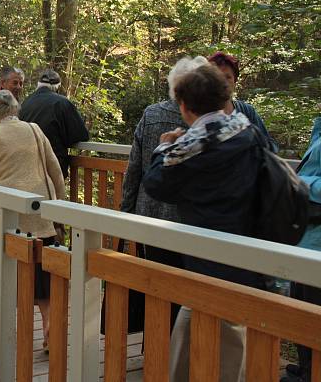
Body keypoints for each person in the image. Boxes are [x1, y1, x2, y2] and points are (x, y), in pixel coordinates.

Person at [142, 64, 269, 382]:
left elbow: (157, 182)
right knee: (201, 322)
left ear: (184, 107)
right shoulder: (247, 131)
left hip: (210, 255)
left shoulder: (190, 147)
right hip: (248, 249)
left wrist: (165, 146)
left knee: (225, 336)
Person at [0, 89, 66, 352]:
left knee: (11, 281)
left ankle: (14, 337)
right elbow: (55, 170)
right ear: (16, 109)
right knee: (43, 282)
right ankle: (49, 330)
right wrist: (59, 209)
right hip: (41, 217)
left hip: (9, 222)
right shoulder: (35, 130)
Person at [120, 56, 208, 331]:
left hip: (150, 214)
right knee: (189, 289)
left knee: (158, 283)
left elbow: (134, 167)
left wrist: (127, 210)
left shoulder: (152, 114)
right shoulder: (203, 120)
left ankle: (156, 351)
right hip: (189, 220)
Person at [283, 114, 321, 382]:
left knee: (313, 310)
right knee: (300, 303)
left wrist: (295, 183)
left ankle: (311, 373)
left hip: (317, 241)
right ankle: (305, 364)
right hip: (306, 236)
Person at [19, 69, 89, 176]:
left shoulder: (26, 102)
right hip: (52, 165)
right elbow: (81, 135)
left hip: (27, 164)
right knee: (53, 193)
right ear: (58, 87)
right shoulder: (62, 102)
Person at [207, 51, 277, 151]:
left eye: (228, 77)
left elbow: (271, 145)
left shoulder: (247, 111)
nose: (223, 82)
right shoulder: (200, 113)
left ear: (235, 82)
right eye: (218, 77)